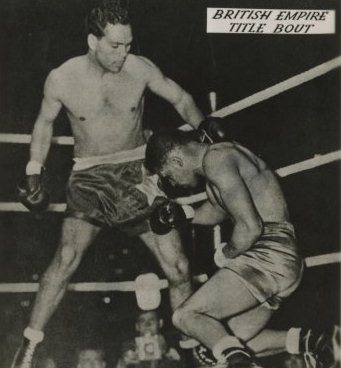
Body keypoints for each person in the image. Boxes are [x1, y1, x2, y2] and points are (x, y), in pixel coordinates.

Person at [12, 1, 205, 367]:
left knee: (178, 267)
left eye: (128, 44)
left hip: (139, 175)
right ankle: (28, 348)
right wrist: (33, 170)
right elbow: (43, 124)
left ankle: (190, 346)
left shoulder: (140, 69)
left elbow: (181, 99)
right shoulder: (62, 78)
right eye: (115, 46)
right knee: (66, 259)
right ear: (92, 41)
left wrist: (208, 137)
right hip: (90, 177)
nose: (123, 53)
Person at [145, 130, 340, 368]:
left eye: (169, 176)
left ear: (177, 160)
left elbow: (250, 228)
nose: (173, 183)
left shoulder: (216, 160)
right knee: (217, 344)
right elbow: (217, 211)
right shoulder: (219, 160)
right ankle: (319, 341)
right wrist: (181, 215)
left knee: (185, 316)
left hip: (268, 254)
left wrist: (226, 256)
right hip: (282, 260)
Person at [116, 310, 184, 368]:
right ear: (137, 326)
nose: (147, 325)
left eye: (152, 320)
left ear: (160, 323)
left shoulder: (172, 345)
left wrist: (177, 361)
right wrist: (123, 363)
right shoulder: (129, 347)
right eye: (142, 321)